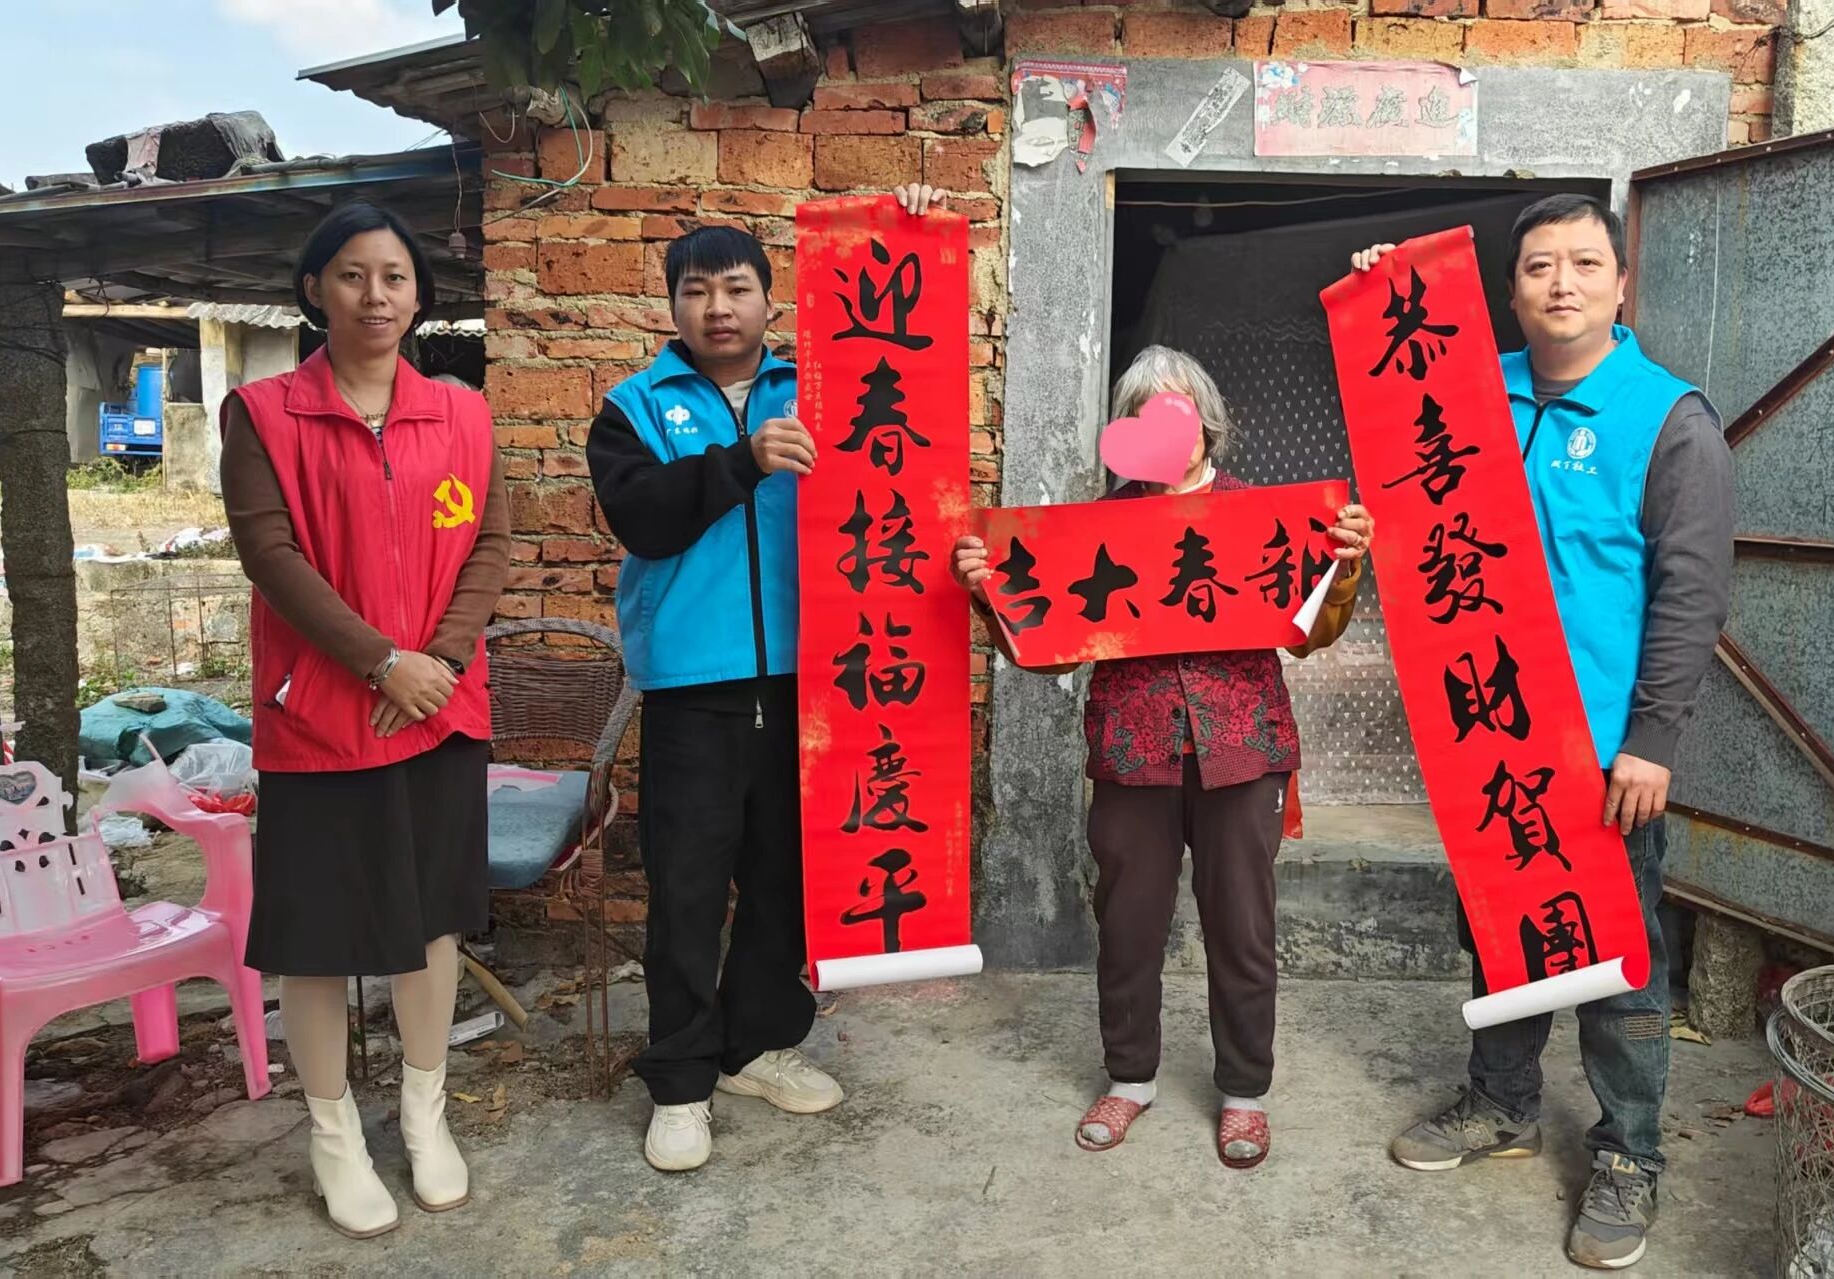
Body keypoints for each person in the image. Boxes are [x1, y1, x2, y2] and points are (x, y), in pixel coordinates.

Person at [1352, 194, 1734, 1270]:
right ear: (1510, 293)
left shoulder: (1668, 419)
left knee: (1620, 961)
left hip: (1604, 752)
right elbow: (1406, 457)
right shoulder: (1474, 393)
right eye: (1535, 267)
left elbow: (1692, 595)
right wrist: (1388, 288)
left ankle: (1630, 1153)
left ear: (1620, 284)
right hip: (1490, 733)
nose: (1560, 282)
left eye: (1582, 263)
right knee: (1501, 937)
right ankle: (1501, 1104)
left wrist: (1652, 740)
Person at [586, 184, 950, 1173]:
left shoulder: (825, 386)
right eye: (696, 291)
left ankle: (754, 1045)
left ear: (768, 298)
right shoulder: (633, 408)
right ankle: (680, 1079)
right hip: (692, 687)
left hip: (813, 679)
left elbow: (904, 445)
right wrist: (740, 461)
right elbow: (642, 519)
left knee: (788, 880)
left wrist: (905, 223)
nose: (718, 308)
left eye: (736, 288)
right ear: (672, 305)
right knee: (687, 888)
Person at [948, 346, 1375, 1171]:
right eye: (1141, 415)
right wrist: (986, 589)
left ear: (1206, 423)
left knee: (1241, 926)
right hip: (1130, 748)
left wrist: (1343, 567)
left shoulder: (1267, 514)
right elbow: (1044, 650)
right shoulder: (1093, 528)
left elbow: (1310, 635)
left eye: (1175, 413)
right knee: (1128, 924)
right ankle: (1129, 1076)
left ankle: (1244, 1091)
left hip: (1241, 748)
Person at [222, 200, 510, 1239]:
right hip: (319, 717)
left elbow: (489, 545)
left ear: (418, 294)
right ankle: (334, 1133)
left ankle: (426, 1115)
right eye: (352, 275)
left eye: (393, 276)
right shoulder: (262, 413)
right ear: (315, 290)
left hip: (438, 711)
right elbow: (271, 556)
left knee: (430, 923)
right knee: (318, 937)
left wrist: (437, 663)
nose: (375, 295)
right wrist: (381, 661)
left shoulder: (463, 413)